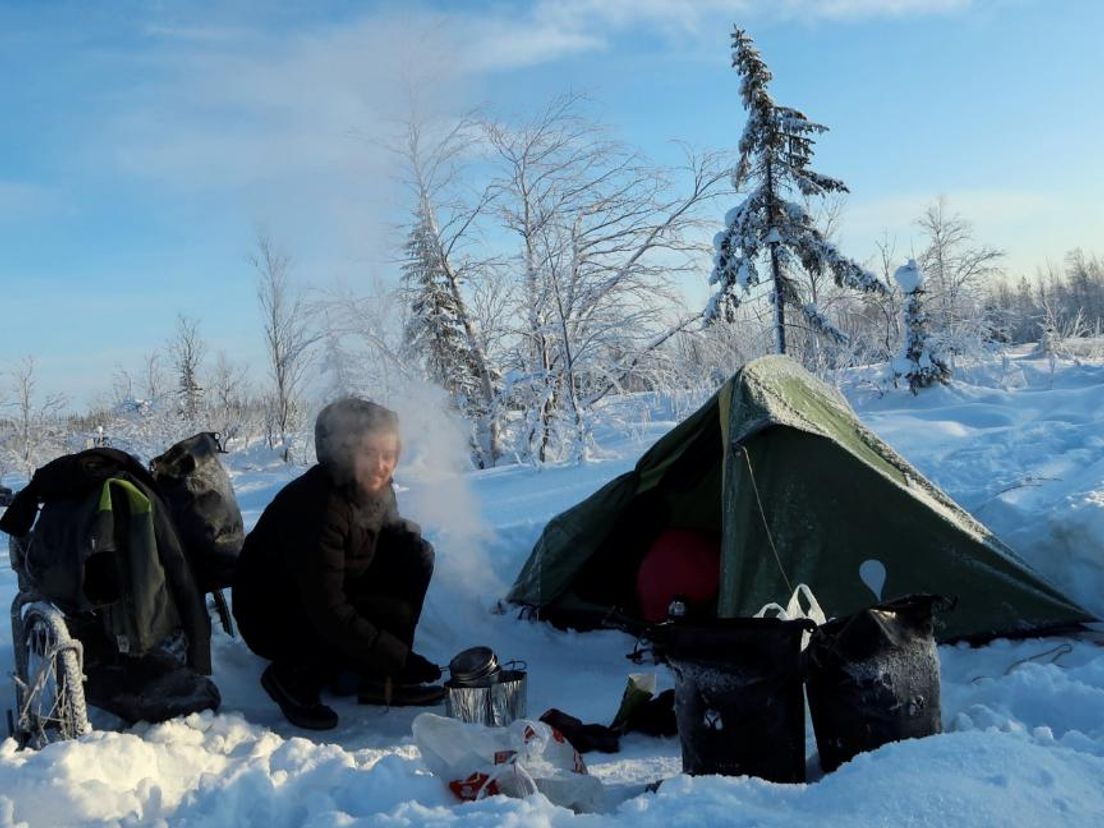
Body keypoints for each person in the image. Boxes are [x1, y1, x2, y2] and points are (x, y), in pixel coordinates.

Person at [232, 397, 443, 730]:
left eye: (388, 455)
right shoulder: (319, 506)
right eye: (370, 454)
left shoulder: (377, 488)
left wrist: (406, 542)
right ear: (345, 453)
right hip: (275, 615)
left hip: (329, 593)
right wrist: (399, 658)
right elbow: (328, 608)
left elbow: (386, 549)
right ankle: (290, 677)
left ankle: (379, 678)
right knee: (328, 620)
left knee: (415, 555)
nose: (381, 465)